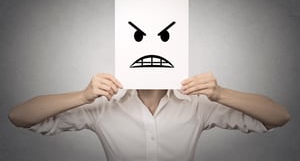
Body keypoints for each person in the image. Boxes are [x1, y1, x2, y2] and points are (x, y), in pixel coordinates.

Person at [8, 72, 290, 161]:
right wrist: (82, 96)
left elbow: (279, 116)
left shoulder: (197, 105)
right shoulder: (104, 106)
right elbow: (19, 116)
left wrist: (221, 93)